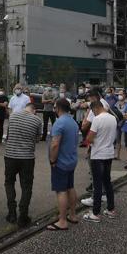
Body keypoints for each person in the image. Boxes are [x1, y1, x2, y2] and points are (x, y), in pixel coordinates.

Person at [4, 103, 42, 227]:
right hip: (27, 158)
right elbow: (37, 139)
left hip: (10, 156)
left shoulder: (13, 116)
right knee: (26, 186)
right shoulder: (37, 120)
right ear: (34, 110)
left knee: (9, 183)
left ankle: (12, 213)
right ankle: (23, 215)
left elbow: (8, 135)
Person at [46, 98, 80, 231]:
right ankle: (73, 215)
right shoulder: (73, 122)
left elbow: (55, 144)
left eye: (55, 107)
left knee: (61, 190)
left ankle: (62, 220)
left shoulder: (59, 123)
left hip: (61, 162)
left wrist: (52, 160)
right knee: (70, 187)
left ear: (58, 108)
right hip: (72, 160)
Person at [82, 101, 117, 223]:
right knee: (107, 182)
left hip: (98, 154)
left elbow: (90, 137)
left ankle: (95, 213)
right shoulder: (113, 118)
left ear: (95, 108)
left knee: (97, 184)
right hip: (109, 153)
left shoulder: (97, 119)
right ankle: (111, 209)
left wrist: (88, 140)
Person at [114, 91, 126, 159]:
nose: (119, 96)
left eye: (121, 94)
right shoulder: (117, 103)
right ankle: (117, 155)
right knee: (117, 139)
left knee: (126, 140)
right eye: (119, 94)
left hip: (126, 122)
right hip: (118, 123)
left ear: (124, 95)